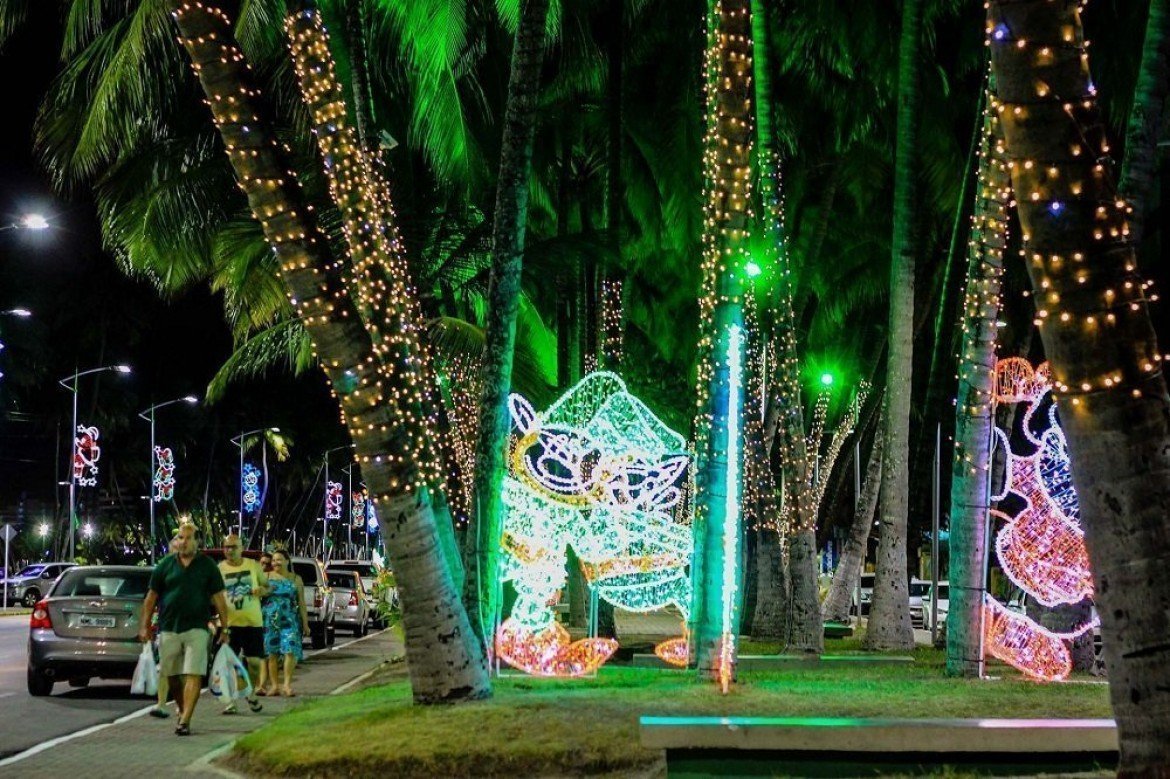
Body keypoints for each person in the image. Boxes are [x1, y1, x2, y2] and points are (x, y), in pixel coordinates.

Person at [138, 523, 230, 736]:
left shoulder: (207, 566)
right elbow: (151, 597)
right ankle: (181, 708)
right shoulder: (165, 565)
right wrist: (144, 626)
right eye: (181, 538)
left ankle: (185, 720)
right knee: (171, 675)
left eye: (189, 538)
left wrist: (226, 628)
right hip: (169, 627)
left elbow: (219, 599)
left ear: (197, 541)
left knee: (194, 673)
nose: (184, 542)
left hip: (197, 627)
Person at [218, 534, 266, 714]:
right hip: (229, 624)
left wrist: (262, 590)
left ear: (241, 548)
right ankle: (230, 702)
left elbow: (268, 587)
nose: (229, 550)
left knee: (254, 663)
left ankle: (250, 692)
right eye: (226, 547)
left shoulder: (253, 566)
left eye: (233, 547)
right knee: (229, 665)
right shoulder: (220, 569)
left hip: (253, 623)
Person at [262, 549, 308, 697]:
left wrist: (305, 624)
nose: (275, 563)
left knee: (289, 651)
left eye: (279, 560)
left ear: (287, 561)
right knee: (272, 654)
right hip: (269, 620)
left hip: (289, 620)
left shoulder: (296, 579)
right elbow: (257, 596)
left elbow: (301, 603)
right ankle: (274, 685)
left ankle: (287, 685)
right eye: (274, 560)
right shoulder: (266, 577)